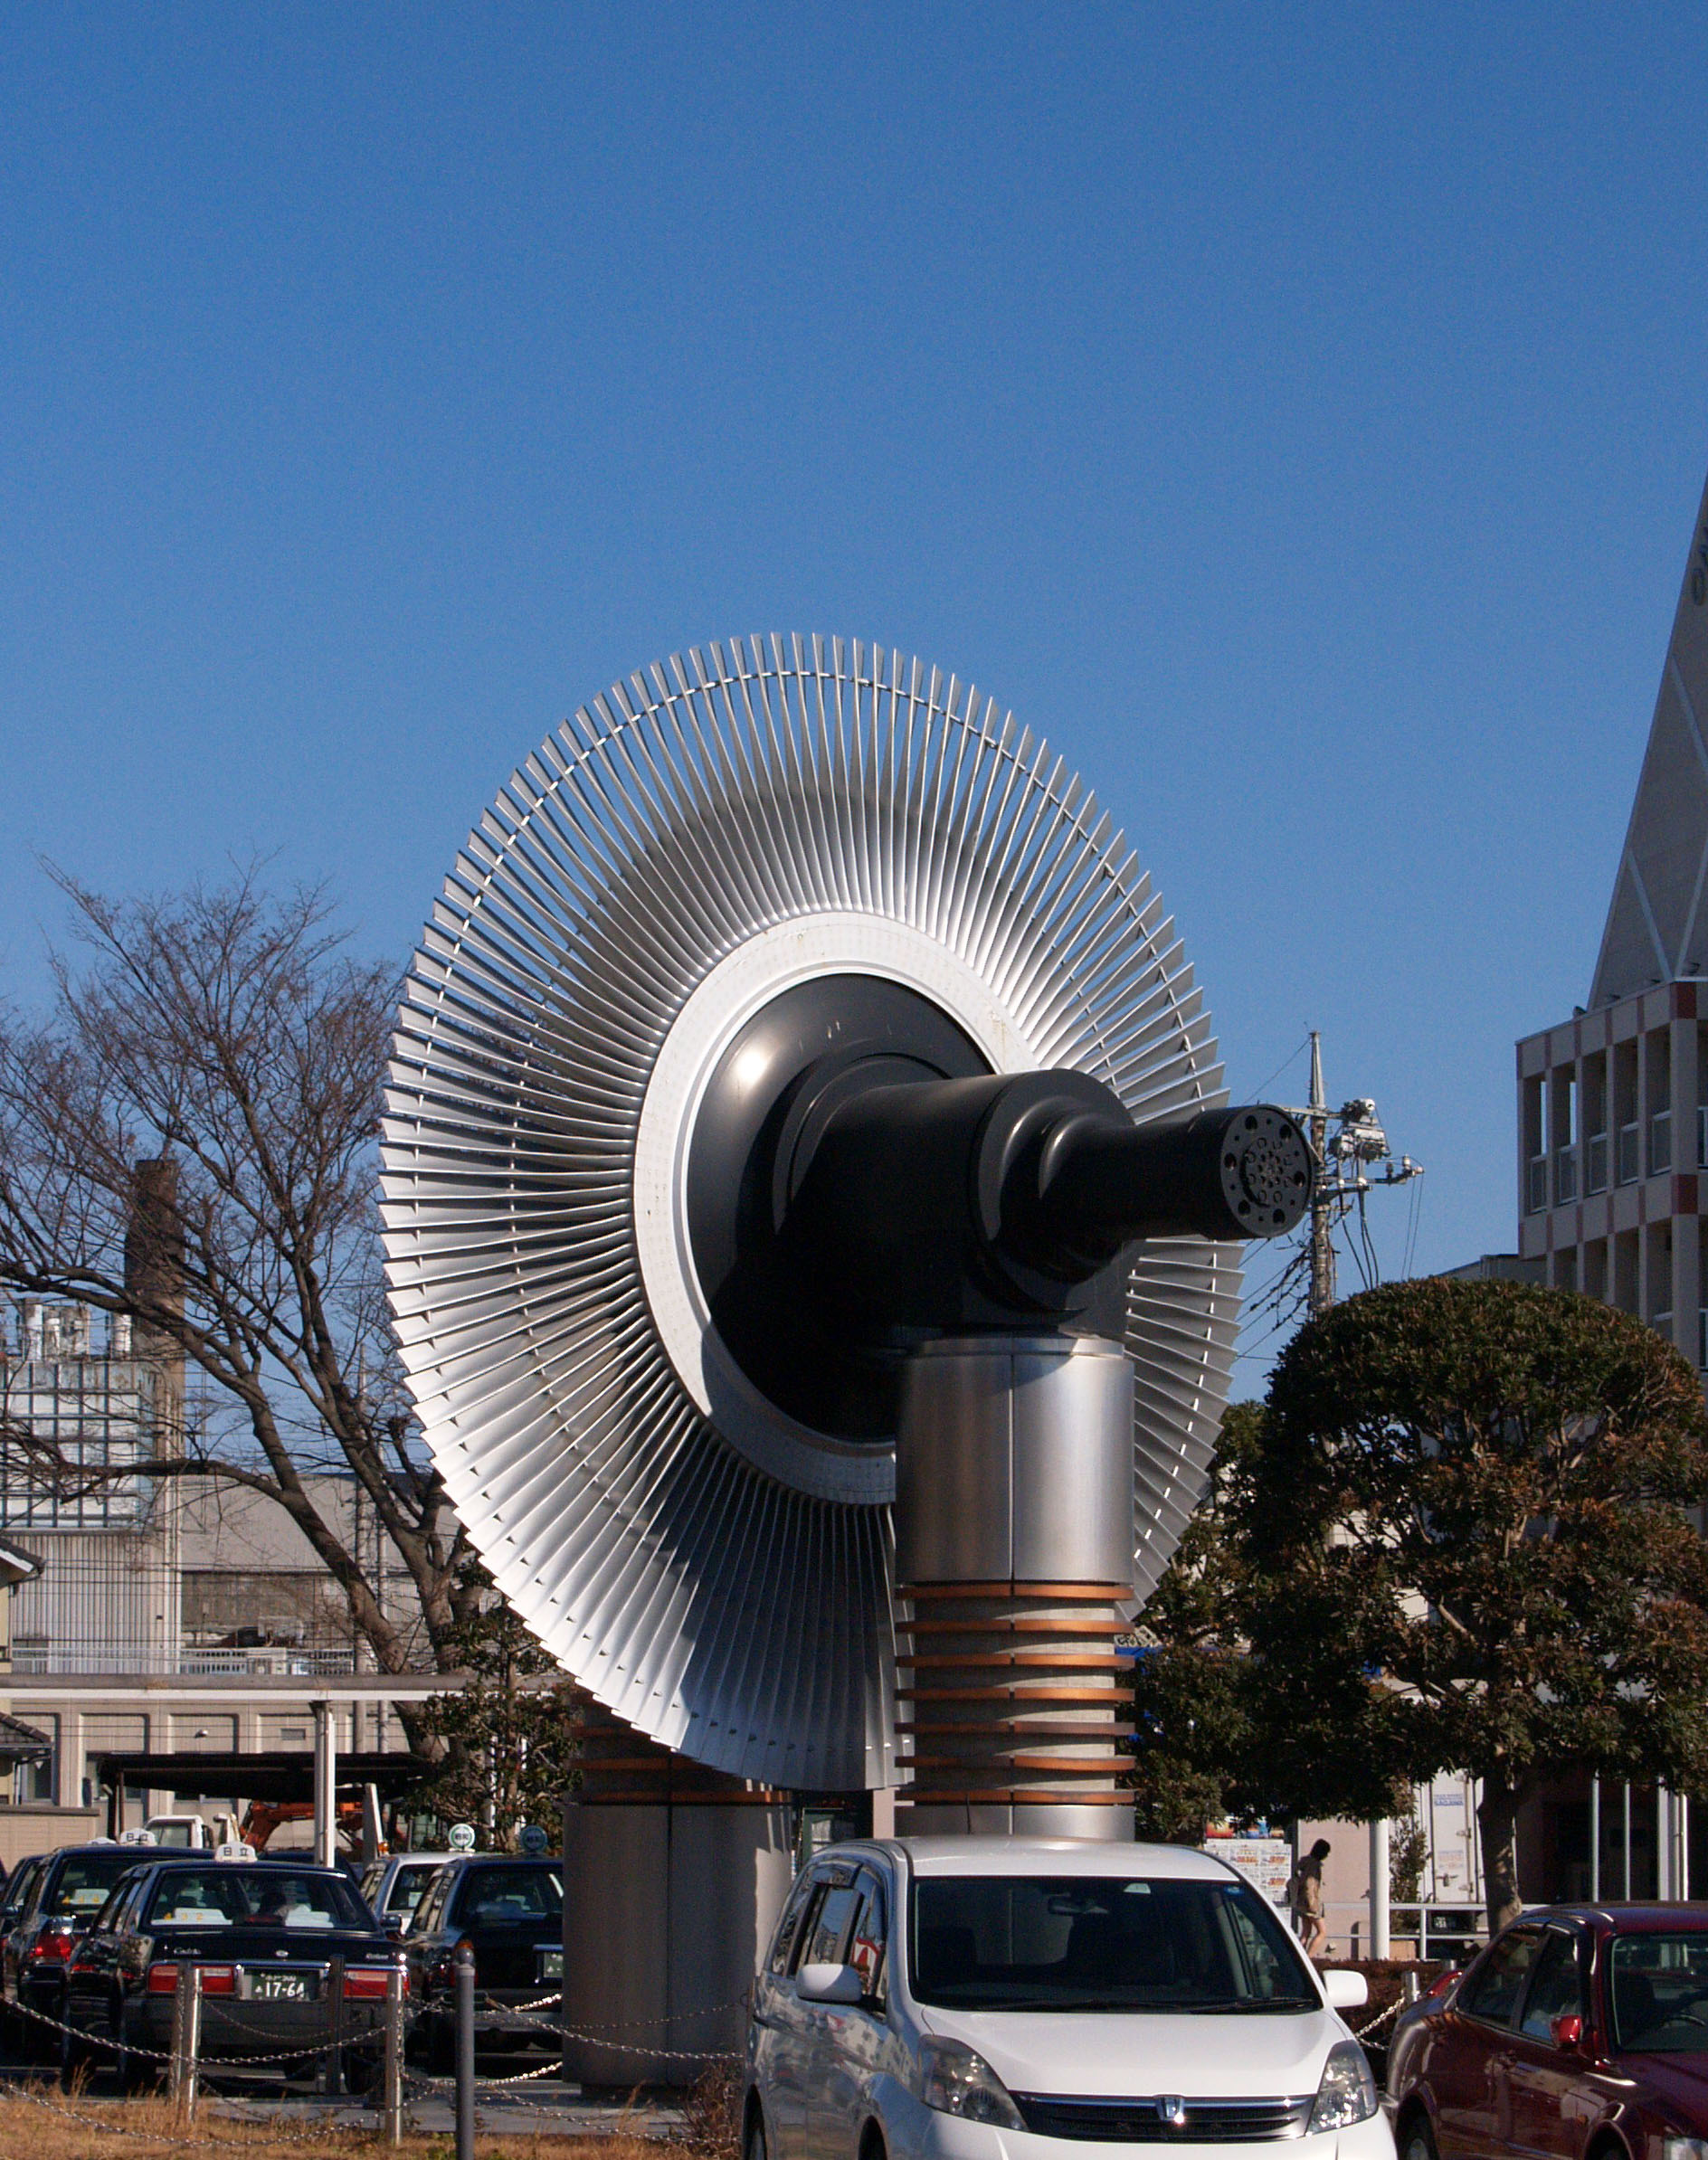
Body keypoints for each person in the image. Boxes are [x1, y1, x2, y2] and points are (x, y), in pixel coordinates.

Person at [1288, 1840, 1331, 1957]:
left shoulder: (1304, 1862)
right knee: (1322, 1932)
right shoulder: (1314, 1865)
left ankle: (1298, 1956)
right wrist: (1313, 1905)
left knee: (1306, 1931)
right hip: (1310, 1902)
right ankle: (1309, 1958)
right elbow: (1310, 1885)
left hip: (1300, 1901)